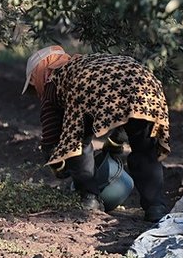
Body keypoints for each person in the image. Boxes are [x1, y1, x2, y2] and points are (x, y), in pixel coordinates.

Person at [22, 45, 170, 222]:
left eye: (32, 81)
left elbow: (51, 137)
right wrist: (115, 143)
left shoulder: (53, 80)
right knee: (145, 148)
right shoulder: (85, 63)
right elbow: (125, 111)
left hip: (97, 87)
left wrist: (60, 167)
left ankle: (90, 198)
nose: (34, 86)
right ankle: (156, 207)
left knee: (76, 143)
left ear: (38, 73)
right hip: (143, 81)